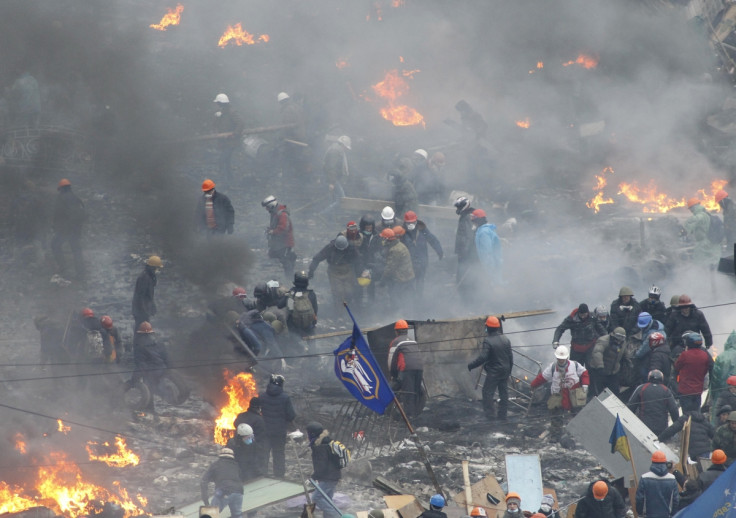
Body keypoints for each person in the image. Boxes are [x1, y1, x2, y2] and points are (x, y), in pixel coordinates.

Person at [530, 345, 589, 442]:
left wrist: (585, 385)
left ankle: (578, 434)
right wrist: (533, 385)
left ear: (567, 357)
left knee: (577, 414)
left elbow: (584, 373)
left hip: (574, 394)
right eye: (559, 358)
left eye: (563, 358)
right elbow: (542, 378)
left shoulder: (575, 365)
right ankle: (556, 436)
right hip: (558, 395)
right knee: (555, 416)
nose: (561, 360)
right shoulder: (552, 367)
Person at [468, 316, 513, 420]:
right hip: (505, 370)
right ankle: (503, 416)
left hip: (494, 371)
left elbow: (483, 357)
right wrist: (509, 371)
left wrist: (471, 365)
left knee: (487, 392)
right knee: (503, 393)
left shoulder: (488, 340)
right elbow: (510, 357)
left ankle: (490, 416)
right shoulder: (506, 339)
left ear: (488, 328)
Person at [308, 235, 360, 308]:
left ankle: (346, 306)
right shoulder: (330, 248)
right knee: (338, 292)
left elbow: (358, 261)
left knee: (349, 292)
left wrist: (359, 274)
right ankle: (339, 314)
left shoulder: (351, 248)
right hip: (334, 272)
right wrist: (311, 271)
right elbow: (317, 258)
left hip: (348, 271)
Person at [260, 374, 296, 478]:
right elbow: (291, 415)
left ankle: (263, 475)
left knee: (264, 454)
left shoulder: (262, 396)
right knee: (279, 454)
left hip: (265, 431)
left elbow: (258, 412)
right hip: (279, 432)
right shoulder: (285, 398)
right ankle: (279, 476)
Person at [388, 320, 425, 417]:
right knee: (415, 392)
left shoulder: (395, 342)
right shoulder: (413, 341)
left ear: (396, 331)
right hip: (419, 368)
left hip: (407, 369)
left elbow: (391, 360)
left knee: (408, 394)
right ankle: (416, 415)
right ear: (407, 331)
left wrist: (393, 375)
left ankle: (409, 418)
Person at [50, 178, 87, 278]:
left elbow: (58, 215)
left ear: (61, 188)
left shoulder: (61, 198)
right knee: (76, 250)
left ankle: (63, 267)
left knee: (55, 245)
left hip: (65, 230)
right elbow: (83, 214)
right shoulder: (76, 198)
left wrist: (55, 227)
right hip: (75, 229)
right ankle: (81, 272)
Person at [401, 211, 443, 296]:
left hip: (422, 261)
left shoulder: (422, 230)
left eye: (412, 222)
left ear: (416, 221)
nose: (410, 224)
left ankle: (419, 299)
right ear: (405, 222)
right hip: (409, 263)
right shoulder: (402, 232)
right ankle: (410, 299)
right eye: (408, 223)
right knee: (409, 282)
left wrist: (439, 251)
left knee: (420, 281)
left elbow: (432, 239)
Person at [132, 321, 169, 416]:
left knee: (149, 389)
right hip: (161, 369)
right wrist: (168, 369)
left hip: (150, 371)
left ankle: (150, 409)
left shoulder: (139, 345)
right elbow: (165, 356)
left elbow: (140, 363)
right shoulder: (159, 342)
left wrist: (134, 379)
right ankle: (172, 400)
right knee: (160, 387)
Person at [306, 421, 342, 518]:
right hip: (333, 475)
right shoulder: (327, 441)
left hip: (328, 477)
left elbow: (322, 465)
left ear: (312, 434)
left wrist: (313, 477)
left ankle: (337, 516)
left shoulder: (321, 446)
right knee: (327, 500)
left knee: (316, 497)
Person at [627, 369, 679, 436]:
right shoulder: (666, 391)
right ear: (662, 379)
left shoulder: (641, 388)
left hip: (643, 426)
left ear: (649, 377)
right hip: (661, 428)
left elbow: (630, 406)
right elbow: (674, 410)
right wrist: (676, 426)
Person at [674, 331, 714, 411]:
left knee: (686, 413)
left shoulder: (685, 355)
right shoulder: (704, 355)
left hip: (685, 390)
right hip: (698, 390)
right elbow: (707, 369)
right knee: (696, 412)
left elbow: (676, 367)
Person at [200, 447, 244, 518]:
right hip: (239, 492)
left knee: (211, 514)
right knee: (237, 515)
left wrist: (205, 501)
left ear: (220, 455)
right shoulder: (236, 465)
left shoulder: (216, 464)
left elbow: (203, 481)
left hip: (224, 491)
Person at [377, 228, 414, 307]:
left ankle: (397, 314)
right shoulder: (399, 244)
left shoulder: (395, 250)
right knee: (405, 298)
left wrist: (382, 280)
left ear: (387, 239)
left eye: (383, 238)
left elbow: (390, 268)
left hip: (401, 279)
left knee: (395, 297)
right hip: (407, 276)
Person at [635, 451, 679, 518]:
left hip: (648, 515)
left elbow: (639, 499)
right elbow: (675, 500)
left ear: (652, 462)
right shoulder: (672, 479)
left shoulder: (644, 478)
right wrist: (673, 514)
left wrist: (640, 513)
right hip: (666, 515)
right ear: (665, 462)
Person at [262, 195, 296, 279]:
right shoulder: (275, 213)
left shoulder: (282, 214)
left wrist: (273, 231)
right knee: (275, 257)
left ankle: (289, 278)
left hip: (285, 243)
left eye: (267, 207)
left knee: (286, 262)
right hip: (278, 244)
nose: (266, 209)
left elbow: (283, 228)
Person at [588, 327, 627, 398]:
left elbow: (625, 355)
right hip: (599, 371)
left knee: (615, 393)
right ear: (613, 335)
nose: (619, 340)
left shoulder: (623, 343)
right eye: (618, 337)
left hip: (613, 372)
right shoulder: (603, 340)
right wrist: (600, 366)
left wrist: (629, 364)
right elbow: (597, 352)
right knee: (597, 392)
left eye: (622, 338)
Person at [212, 93, 244, 179]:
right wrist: (217, 117)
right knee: (226, 161)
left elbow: (240, 123)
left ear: (221, 103)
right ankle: (229, 178)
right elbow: (216, 125)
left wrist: (235, 134)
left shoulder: (231, 112)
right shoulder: (221, 113)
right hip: (224, 142)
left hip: (231, 142)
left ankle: (223, 178)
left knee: (222, 160)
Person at [276, 92, 307, 177]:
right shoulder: (297, 107)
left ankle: (289, 178)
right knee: (298, 159)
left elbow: (286, 126)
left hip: (292, 140)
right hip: (301, 139)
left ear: (280, 102)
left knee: (288, 160)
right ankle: (299, 177)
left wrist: (282, 137)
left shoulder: (287, 110)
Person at [683, 197, 721, 264]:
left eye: (690, 209)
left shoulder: (700, 216)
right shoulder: (707, 214)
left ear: (693, 207)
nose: (690, 211)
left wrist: (683, 229)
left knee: (699, 263)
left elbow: (690, 223)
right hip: (713, 243)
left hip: (704, 244)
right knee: (713, 263)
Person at [321, 135, 351, 220]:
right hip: (330, 179)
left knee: (334, 198)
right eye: (345, 147)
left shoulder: (337, 149)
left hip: (332, 178)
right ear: (342, 145)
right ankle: (323, 214)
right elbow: (331, 167)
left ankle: (328, 217)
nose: (346, 149)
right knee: (342, 199)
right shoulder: (335, 151)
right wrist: (332, 182)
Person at [471, 209, 503, 286]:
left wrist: (488, 268)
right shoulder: (486, 230)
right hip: (491, 262)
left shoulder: (483, 232)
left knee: (491, 284)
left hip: (489, 264)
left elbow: (487, 251)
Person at [132, 255, 162, 329]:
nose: (157, 270)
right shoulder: (144, 278)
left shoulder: (149, 277)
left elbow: (149, 295)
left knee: (144, 329)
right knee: (141, 330)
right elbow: (140, 297)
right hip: (140, 311)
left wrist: (152, 305)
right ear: (153, 268)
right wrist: (144, 312)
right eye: (157, 268)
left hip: (143, 309)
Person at [454, 196, 476, 285]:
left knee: (463, 267)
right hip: (463, 248)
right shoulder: (466, 215)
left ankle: (462, 285)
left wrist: (465, 251)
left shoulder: (467, 217)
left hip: (464, 249)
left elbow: (469, 235)